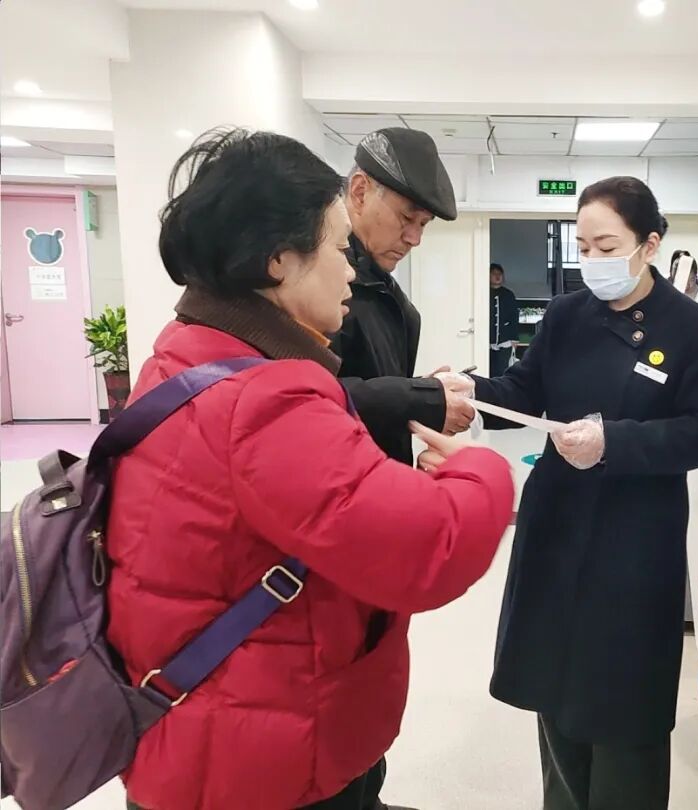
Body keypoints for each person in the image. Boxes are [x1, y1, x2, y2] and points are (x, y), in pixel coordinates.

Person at [108, 128, 514, 810]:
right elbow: (432, 544)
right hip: (251, 753)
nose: (350, 269)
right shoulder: (267, 398)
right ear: (278, 260)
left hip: (222, 710)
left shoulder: (183, 352)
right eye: (335, 245)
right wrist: (481, 471)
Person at [465, 177, 698, 809]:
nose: (592, 260)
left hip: (633, 542)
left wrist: (614, 440)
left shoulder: (696, 329)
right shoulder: (565, 315)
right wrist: (468, 394)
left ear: (649, 244)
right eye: (583, 247)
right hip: (557, 527)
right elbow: (523, 392)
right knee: (557, 692)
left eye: (606, 247)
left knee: (623, 706)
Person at [334, 127, 475, 465]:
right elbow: (303, 398)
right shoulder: (319, 280)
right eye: (406, 218)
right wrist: (420, 399)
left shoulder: (386, 291)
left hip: (378, 480)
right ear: (360, 192)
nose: (414, 238)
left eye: (423, 224)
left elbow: (369, 387)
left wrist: (422, 393)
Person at [489, 262, 520, 376]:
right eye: (494, 273)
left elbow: (514, 317)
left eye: (500, 274)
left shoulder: (508, 294)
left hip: (505, 340)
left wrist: (514, 338)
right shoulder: (484, 293)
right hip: (488, 341)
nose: (497, 276)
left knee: (502, 372)